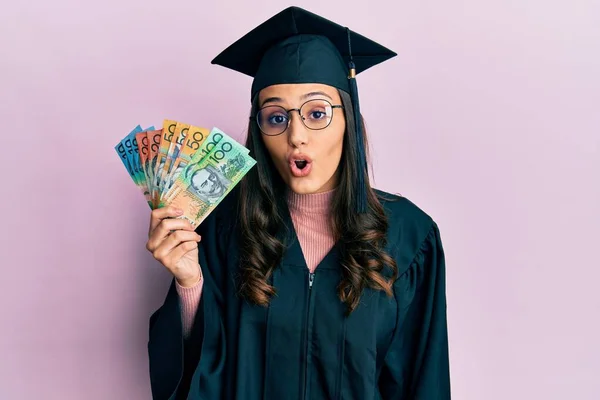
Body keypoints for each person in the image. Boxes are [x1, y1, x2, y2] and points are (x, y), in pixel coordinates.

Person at [145, 6, 451, 400]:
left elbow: (423, 379)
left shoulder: (410, 237)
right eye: (276, 118)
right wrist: (190, 284)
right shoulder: (224, 228)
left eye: (317, 113)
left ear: (349, 121)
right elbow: (200, 373)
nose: (297, 136)